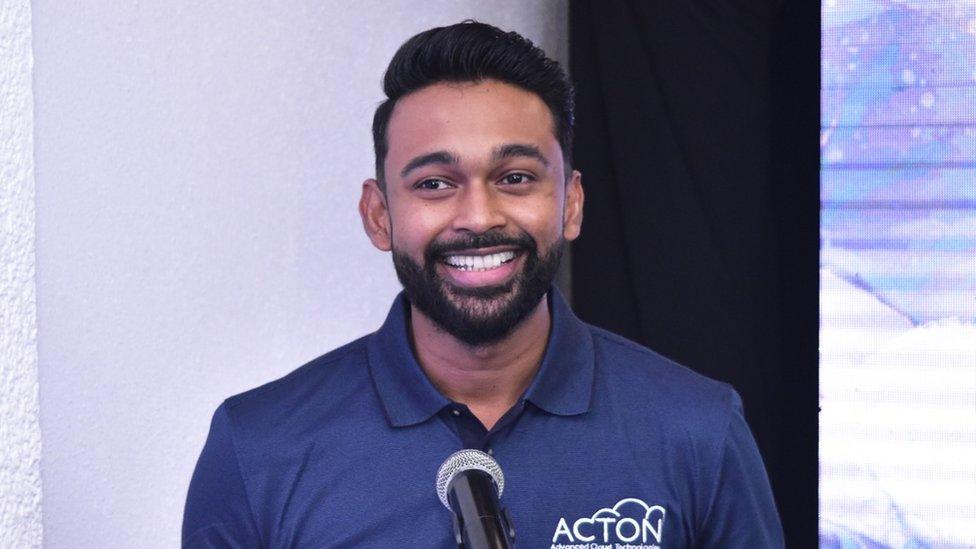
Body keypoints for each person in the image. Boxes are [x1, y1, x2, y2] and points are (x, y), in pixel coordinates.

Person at [182, 21, 784, 548]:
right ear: (379, 215)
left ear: (570, 204)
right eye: (435, 184)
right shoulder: (258, 448)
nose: (479, 216)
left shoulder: (699, 430)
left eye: (516, 177)